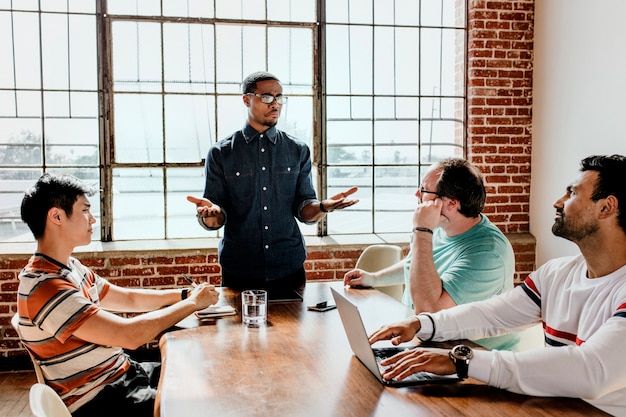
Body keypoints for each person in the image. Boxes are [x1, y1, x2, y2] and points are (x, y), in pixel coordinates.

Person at [369, 154, 626, 416]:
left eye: (571, 194)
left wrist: (462, 360)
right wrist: (422, 324)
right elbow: (492, 313)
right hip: (554, 407)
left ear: (606, 207)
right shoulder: (556, 274)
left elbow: (591, 371)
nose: (557, 202)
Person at [16, 173, 219, 417]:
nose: (92, 219)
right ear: (57, 216)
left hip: (122, 373)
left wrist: (185, 294)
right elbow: (129, 335)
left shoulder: (68, 266)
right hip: (102, 397)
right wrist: (194, 303)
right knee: (206, 403)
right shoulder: (44, 287)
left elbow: (129, 298)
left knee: (206, 376)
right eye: (84, 211)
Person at [187, 71, 358, 294]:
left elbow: (305, 210)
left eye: (279, 98)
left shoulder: (298, 150)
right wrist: (209, 215)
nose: (275, 104)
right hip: (239, 268)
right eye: (267, 97)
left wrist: (324, 207)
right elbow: (216, 214)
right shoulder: (221, 153)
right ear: (247, 99)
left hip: (288, 266)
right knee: (238, 330)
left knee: (295, 330)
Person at [344, 157, 517, 350]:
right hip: (426, 344)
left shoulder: (488, 252)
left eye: (424, 190)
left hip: (475, 362)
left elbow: (429, 313)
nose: (417, 193)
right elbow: (416, 264)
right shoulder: (441, 226)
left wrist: (421, 230)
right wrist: (374, 278)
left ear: (451, 203)